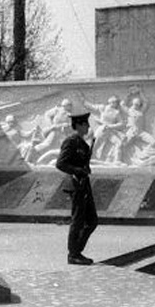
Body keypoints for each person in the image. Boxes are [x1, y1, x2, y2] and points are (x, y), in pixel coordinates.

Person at [55, 111, 98, 265]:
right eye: (86, 124)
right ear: (78, 125)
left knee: (92, 221)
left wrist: (85, 169)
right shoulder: (71, 141)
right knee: (78, 220)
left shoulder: (83, 143)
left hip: (84, 185)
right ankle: (73, 254)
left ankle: (76, 250)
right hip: (76, 185)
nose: (88, 126)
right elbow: (60, 163)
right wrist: (79, 171)